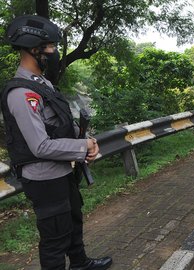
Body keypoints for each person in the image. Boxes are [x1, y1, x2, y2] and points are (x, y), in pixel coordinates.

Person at [1, 15, 112, 270]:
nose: (54, 52)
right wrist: (82, 148)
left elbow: (60, 122)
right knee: (55, 238)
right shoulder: (22, 94)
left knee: (73, 220)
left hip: (61, 170)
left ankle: (80, 263)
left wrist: (86, 140)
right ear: (33, 49)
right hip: (43, 178)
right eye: (50, 47)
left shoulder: (43, 85)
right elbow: (39, 146)